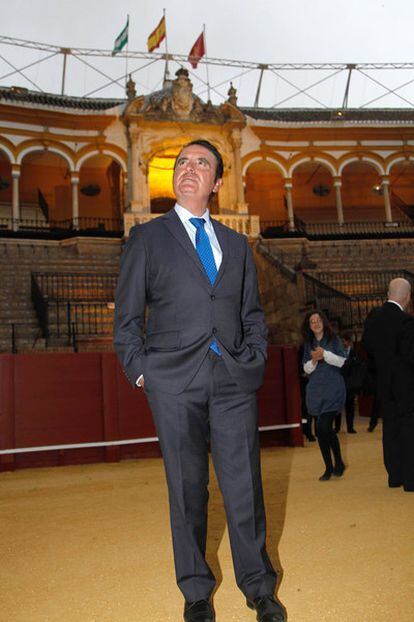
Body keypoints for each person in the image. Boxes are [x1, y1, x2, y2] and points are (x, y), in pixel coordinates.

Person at [114, 140, 284, 622]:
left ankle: (258, 586)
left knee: (244, 484)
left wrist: (253, 360)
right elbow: (126, 319)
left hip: (232, 377)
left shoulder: (236, 243)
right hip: (173, 380)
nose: (189, 169)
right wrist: (141, 370)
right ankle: (195, 591)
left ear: (216, 181)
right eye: (182, 162)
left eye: (201, 163)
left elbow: (252, 314)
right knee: (186, 488)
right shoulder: (147, 238)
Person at [362, 277, 414, 492]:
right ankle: (411, 480)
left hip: (383, 383)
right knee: (409, 429)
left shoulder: (373, 317)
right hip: (406, 386)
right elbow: (411, 356)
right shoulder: (406, 322)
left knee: (390, 428)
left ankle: (395, 476)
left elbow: (367, 346)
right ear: (408, 298)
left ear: (388, 294)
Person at [302, 310, 347, 481]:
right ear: (309, 326)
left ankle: (333, 466)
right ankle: (333, 465)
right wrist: (314, 360)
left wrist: (325, 354)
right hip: (316, 391)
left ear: (324, 322)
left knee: (322, 427)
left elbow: (342, 361)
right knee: (323, 430)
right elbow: (306, 368)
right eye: (312, 321)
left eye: (318, 320)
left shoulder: (333, 339)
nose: (316, 323)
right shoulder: (308, 343)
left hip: (333, 389)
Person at [334, 332, 358, 434]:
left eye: (343, 341)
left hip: (350, 384)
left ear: (348, 342)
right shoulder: (337, 352)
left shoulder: (354, 353)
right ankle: (337, 427)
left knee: (350, 407)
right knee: (338, 407)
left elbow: (355, 367)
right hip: (339, 383)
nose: (342, 343)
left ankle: (350, 427)